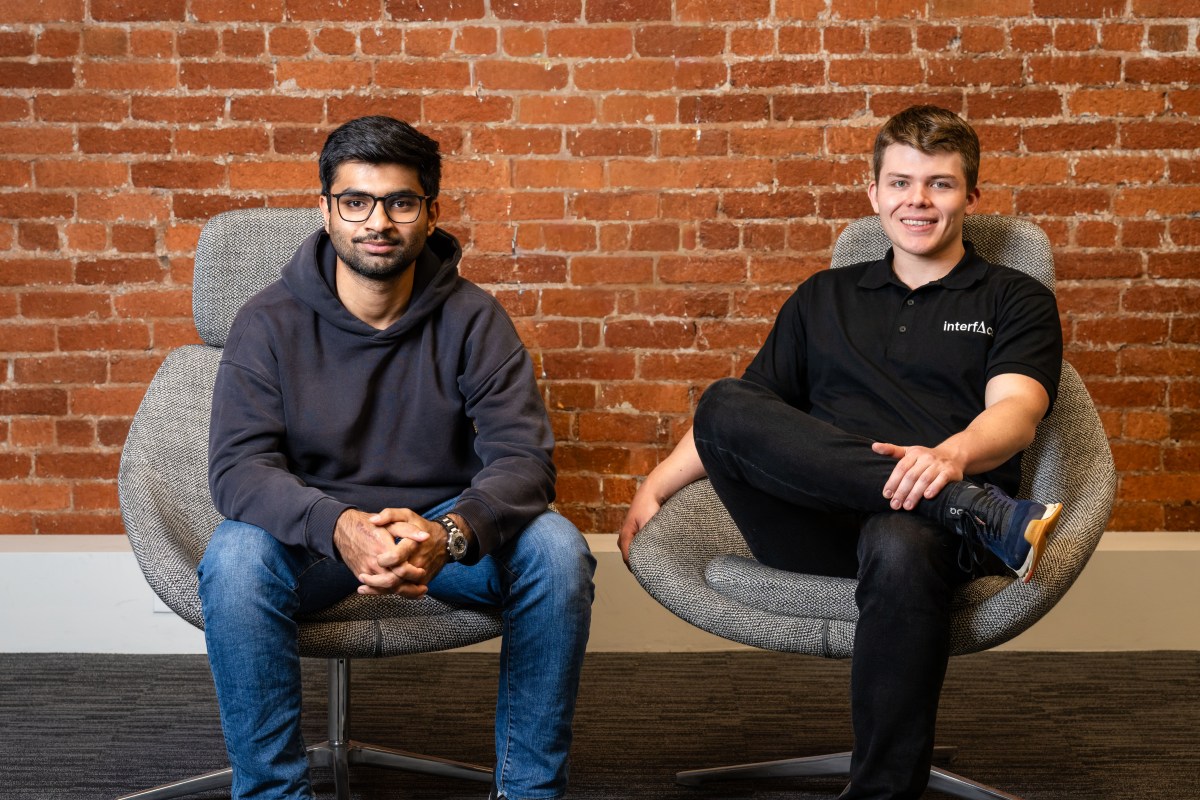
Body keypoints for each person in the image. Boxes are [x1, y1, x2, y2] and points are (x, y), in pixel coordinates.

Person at [619, 105, 1063, 800]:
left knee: (899, 538)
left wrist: (949, 458)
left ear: (972, 197)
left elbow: (1018, 412)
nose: (917, 201)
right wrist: (655, 483)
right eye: (901, 182)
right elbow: (742, 419)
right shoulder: (820, 297)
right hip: (817, 524)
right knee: (724, 401)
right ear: (874, 192)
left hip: (928, 539)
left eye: (940, 184)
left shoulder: (1014, 297)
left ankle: (881, 792)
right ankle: (971, 509)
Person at [199, 115, 595, 800]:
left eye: (400, 202)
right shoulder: (268, 321)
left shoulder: (475, 319)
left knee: (557, 551)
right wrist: (339, 527)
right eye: (355, 201)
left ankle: (529, 792)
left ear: (430, 213)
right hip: (315, 542)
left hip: (441, 536)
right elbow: (239, 469)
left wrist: (451, 532)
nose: (377, 222)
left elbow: (524, 459)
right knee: (234, 559)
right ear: (326, 210)